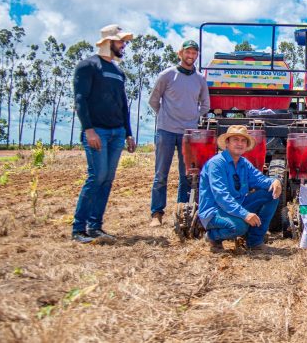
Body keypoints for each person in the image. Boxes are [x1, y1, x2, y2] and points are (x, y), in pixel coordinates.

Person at [71, 24, 137, 244]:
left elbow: (123, 105)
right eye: (120, 42)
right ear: (108, 42)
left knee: (107, 180)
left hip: (117, 132)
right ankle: (78, 229)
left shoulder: (118, 72)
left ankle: (95, 226)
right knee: (96, 177)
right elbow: (80, 100)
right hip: (97, 131)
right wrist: (89, 130)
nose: (124, 45)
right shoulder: (87, 66)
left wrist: (128, 133)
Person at [148, 40, 210, 227]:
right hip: (166, 131)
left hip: (188, 134)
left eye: (194, 53)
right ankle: (156, 214)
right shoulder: (167, 75)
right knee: (161, 174)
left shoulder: (200, 79)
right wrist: (167, 116)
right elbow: (153, 100)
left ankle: (182, 212)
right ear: (180, 53)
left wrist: (192, 117)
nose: (191, 56)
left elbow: (206, 105)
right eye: (188, 52)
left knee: (187, 175)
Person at [198, 125, 282, 252]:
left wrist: (275, 181)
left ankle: (254, 242)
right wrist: (245, 214)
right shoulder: (216, 164)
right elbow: (221, 197)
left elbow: (259, 179)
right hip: (215, 211)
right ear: (227, 143)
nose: (240, 143)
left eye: (243, 141)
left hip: (237, 205)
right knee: (240, 227)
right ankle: (212, 236)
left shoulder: (244, 163)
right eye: (235, 140)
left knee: (272, 193)